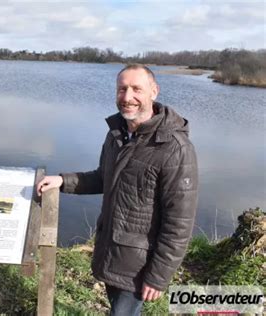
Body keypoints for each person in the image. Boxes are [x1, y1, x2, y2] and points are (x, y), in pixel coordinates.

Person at [37, 64, 198, 315]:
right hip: (111, 251)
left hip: (139, 265)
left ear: (153, 91)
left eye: (136, 89)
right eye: (122, 89)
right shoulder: (117, 134)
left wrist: (158, 275)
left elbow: (180, 223)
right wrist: (62, 181)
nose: (127, 97)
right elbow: (104, 178)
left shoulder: (174, 148)